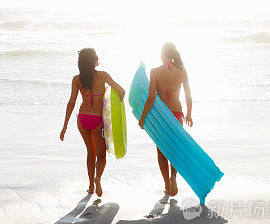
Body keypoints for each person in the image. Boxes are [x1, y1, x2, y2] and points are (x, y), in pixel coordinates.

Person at [60, 48, 125, 197]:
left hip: (82, 119)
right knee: (101, 155)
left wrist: (64, 127)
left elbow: (71, 103)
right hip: (97, 120)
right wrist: (115, 111)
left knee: (91, 152)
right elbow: (121, 91)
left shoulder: (77, 79)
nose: (98, 58)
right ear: (93, 60)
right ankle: (98, 178)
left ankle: (90, 186)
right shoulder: (103, 76)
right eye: (96, 56)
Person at [138, 42, 192, 197]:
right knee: (175, 149)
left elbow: (150, 98)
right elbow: (188, 95)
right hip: (177, 114)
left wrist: (142, 118)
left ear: (164, 55)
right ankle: (173, 176)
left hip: (161, 116)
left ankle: (167, 186)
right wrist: (189, 114)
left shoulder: (155, 71)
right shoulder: (182, 72)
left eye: (161, 54)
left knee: (161, 151)